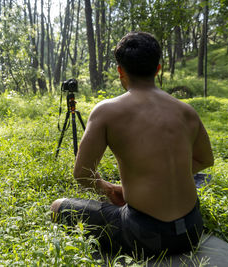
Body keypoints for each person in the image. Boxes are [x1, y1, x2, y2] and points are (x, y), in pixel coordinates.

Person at [50, 32, 214, 259]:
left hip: (146, 236)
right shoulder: (187, 111)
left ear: (120, 71)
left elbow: (82, 174)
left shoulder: (107, 111)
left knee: (58, 206)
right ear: (158, 69)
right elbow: (206, 160)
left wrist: (110, 189)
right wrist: (162, 178)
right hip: (192, 230)